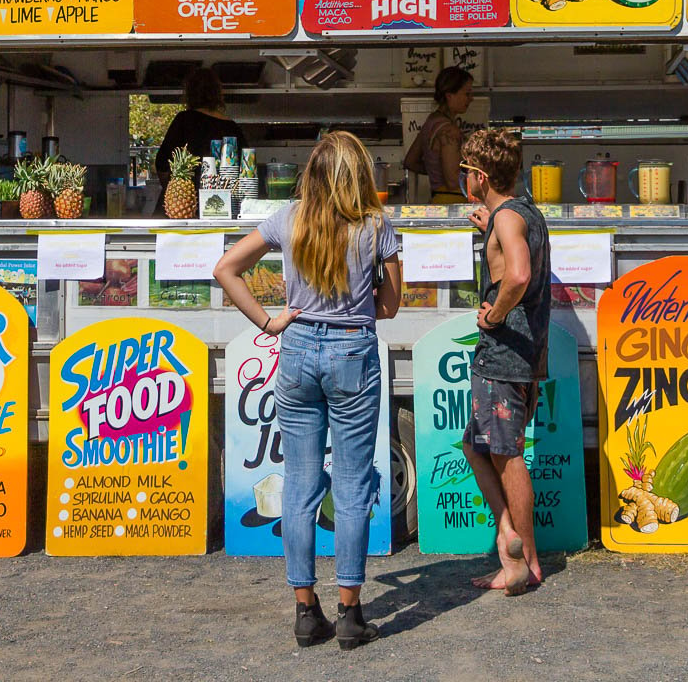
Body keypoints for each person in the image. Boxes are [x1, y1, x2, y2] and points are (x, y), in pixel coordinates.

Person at [213, 131, 402, 650]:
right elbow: (389, 307)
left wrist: (269, 322)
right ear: (357, 174)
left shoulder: (287, 219)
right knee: (352, 484)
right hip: (351, 353)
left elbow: (225, 268)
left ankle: (305, 611)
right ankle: (350, 613)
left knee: (297, 487)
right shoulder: (375, 225)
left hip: (294, 351)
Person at [458, 128, 551, 595]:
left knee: (507, 455)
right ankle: (508, 536)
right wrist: (489, 231)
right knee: (475, 446)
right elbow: (512, 255)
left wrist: (493, 315)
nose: (463, 180)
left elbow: (517, 274)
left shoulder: (509, 220)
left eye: (464, 173)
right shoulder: (522, 214)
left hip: (503, 355)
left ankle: (524, 561)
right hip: (522, 356)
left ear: (478, 176)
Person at [154, 68, 247, 185]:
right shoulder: (232, 127)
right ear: (217, 93)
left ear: (189, 93)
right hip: (226, 196)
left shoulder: (184, 120)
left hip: (187, 194)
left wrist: (171, 188)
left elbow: (162, 163)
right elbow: (245, 168)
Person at [402, 66, 473, 205]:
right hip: (453, 202)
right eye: (467, 93)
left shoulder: (431, 122)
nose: (471, 99)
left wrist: (435, 172)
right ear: (449, 95)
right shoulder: (449, 131)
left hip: (437, 199)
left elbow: (410, 161)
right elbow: (453, 181)